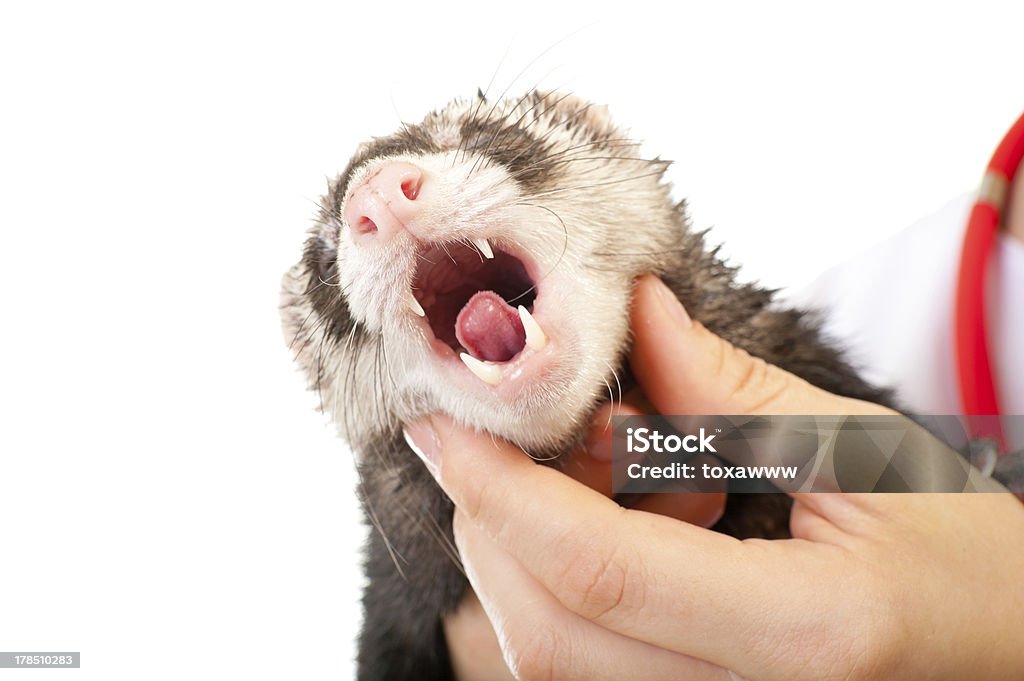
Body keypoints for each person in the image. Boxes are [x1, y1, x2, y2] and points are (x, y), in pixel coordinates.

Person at [403, 124, 1024, 680]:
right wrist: (470, 657)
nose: (380, 200)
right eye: (327, 258)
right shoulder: (874, 296)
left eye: (472, 140)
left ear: (594, 137)